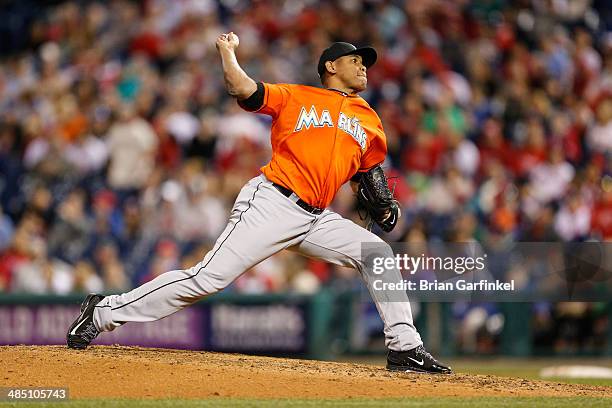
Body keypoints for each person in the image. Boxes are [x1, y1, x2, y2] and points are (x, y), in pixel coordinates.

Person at [66, 32, 451, 374]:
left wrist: (383, 202)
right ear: (331, 66)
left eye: (366, 63)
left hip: (317, 217)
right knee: (207, 278)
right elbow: (243, 89)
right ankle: (102, 312)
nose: (364, 67)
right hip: (272, 202)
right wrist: (228, 53)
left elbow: (371, 173)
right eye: (356, 60)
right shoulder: (297, 96)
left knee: (377, 253)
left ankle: (405, 349)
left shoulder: (368, 118)